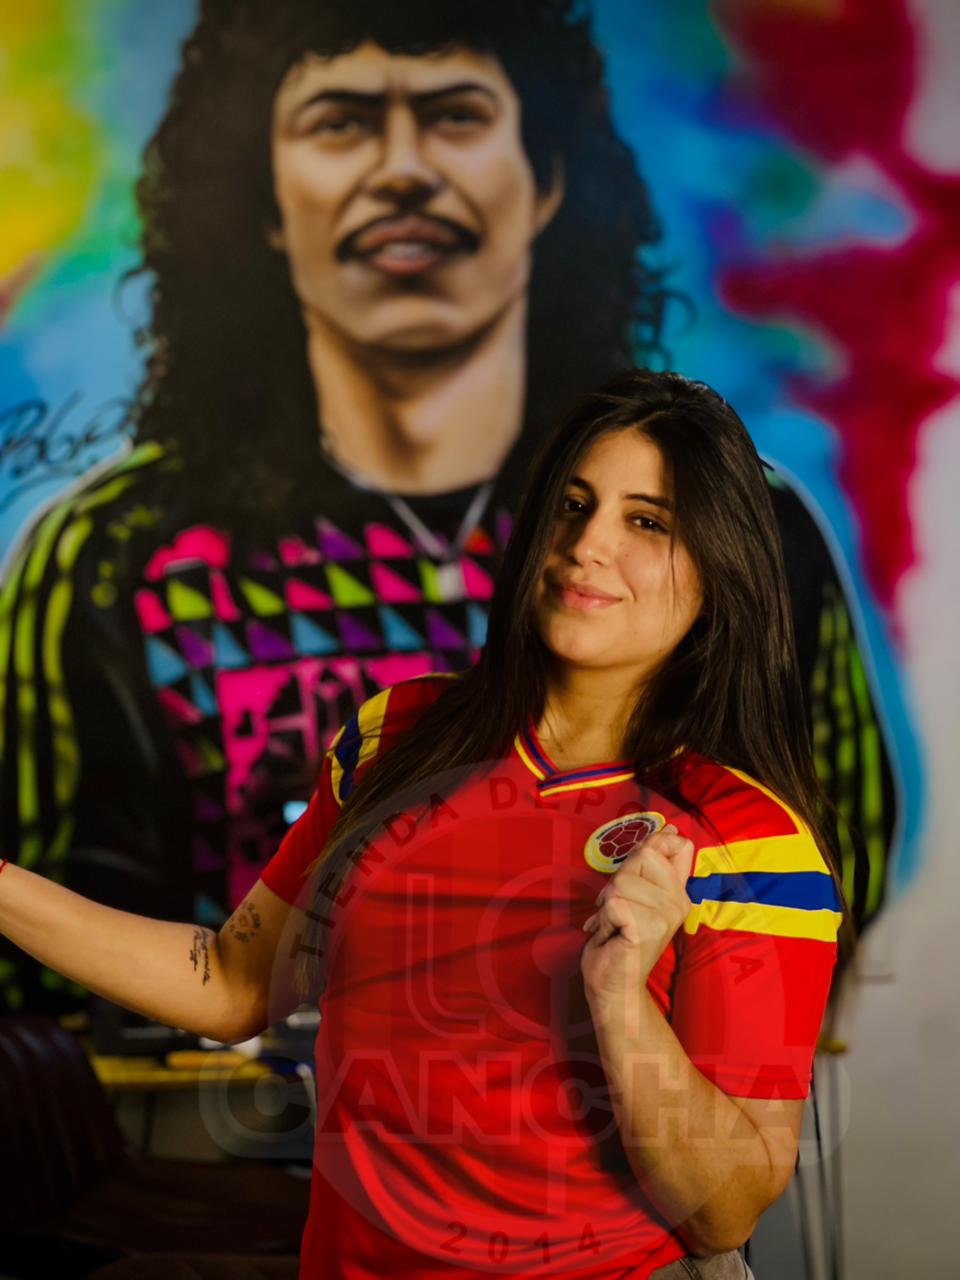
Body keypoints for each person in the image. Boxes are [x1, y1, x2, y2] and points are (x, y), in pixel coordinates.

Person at [0, 0, 880, 1017]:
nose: (403, 170)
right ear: (267, 202)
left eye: (455, 115)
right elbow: (224, 980)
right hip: (207, 1104)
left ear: (546, 182)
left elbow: (819, 915)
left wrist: (626, 1006)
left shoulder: (759, 534)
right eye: (342, 121)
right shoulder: (115, 559)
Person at [0, 370, 844, 1278]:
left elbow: (723, 1213)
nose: (587, 544)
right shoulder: (392, 739)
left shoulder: (747, 836)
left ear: (718, 569)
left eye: (648, 521)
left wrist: (620, 999)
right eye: (573, 504)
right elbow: (235, 982)